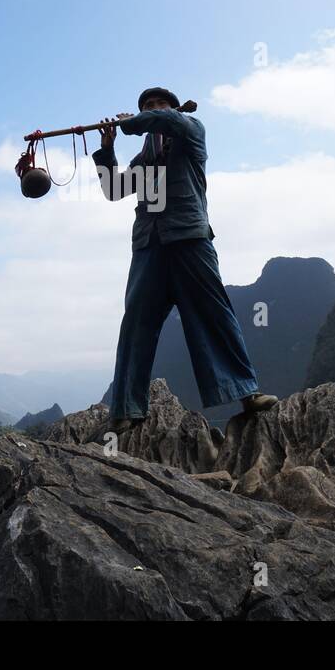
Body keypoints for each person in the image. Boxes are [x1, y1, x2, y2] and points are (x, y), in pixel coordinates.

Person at [94, 86, 276, 433]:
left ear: (174, 111)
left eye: (159, 104)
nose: (153, 108)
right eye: (147, 105)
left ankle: (246, 392)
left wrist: (135, 121)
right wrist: (107, 151)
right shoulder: (144, 162)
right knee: (136, 323)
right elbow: (113, 190)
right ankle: (126, 408)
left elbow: (166, 121)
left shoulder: (191, 133)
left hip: (189, 236)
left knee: (214, 313)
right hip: (149, 244)